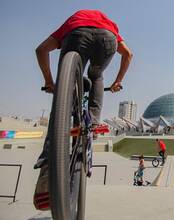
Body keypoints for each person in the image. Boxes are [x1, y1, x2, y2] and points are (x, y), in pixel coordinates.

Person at [33, 9, 133, 210]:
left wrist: (50, 82)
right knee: (96, 75)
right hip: (108, 39)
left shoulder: (72, 22)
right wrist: (118, 82)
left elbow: (41, 50)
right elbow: (128, 54)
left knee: (62, 103)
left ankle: (46, 167)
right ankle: (94, 121)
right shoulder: (108, 23)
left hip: (75, 36)